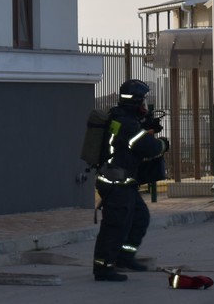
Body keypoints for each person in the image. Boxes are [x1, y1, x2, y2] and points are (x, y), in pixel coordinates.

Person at [91, 78, 169, 281]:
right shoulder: (126, 123)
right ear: (135, 101)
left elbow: (130, 143)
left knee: (139, 219)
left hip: (124, 184)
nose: (144, 105)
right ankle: (103, 268)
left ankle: (124, 258)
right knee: (115, 226)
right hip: (116, 184)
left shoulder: (123, 118)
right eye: (142, 101)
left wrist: (148, 128)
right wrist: (162, 143)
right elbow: (149, 148)